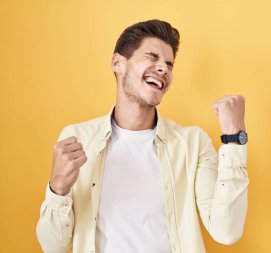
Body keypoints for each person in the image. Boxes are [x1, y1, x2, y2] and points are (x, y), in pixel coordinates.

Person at [36, 19, 249, 253]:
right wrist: (58, 189)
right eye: (152, 56)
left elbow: (226, 230)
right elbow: (52, 246)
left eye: (169, 64)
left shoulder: (193, 143)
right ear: (118, 63)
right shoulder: (77, 138)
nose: (164, 69)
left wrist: (234, 139)